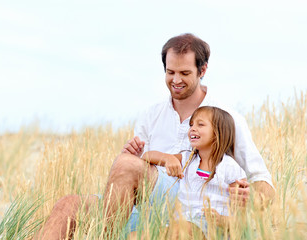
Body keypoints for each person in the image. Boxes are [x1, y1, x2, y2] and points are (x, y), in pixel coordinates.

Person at [34, 33, 275, 240]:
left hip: (191, 212)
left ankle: (101, 235)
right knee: (69, 204)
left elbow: (264, 182)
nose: (176, 80)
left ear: (203, 70)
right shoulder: (152, 115)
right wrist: (128, 158)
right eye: (170, 72)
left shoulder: (226, 118)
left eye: (184, 72)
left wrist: (251, 196)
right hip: (144, 210)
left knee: (128, 167)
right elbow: (131, 172)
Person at [141, 106, 247, 238]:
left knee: (179, 230)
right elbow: (146, 156)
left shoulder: (230, 167)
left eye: (200, 124)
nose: (192, 128)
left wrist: (222, 220)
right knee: (136, 235)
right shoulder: (187, 159)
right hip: (183, 223)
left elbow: (241, 219)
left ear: (218, 132)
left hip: (212, 229)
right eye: (191, 124)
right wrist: (168, 158)